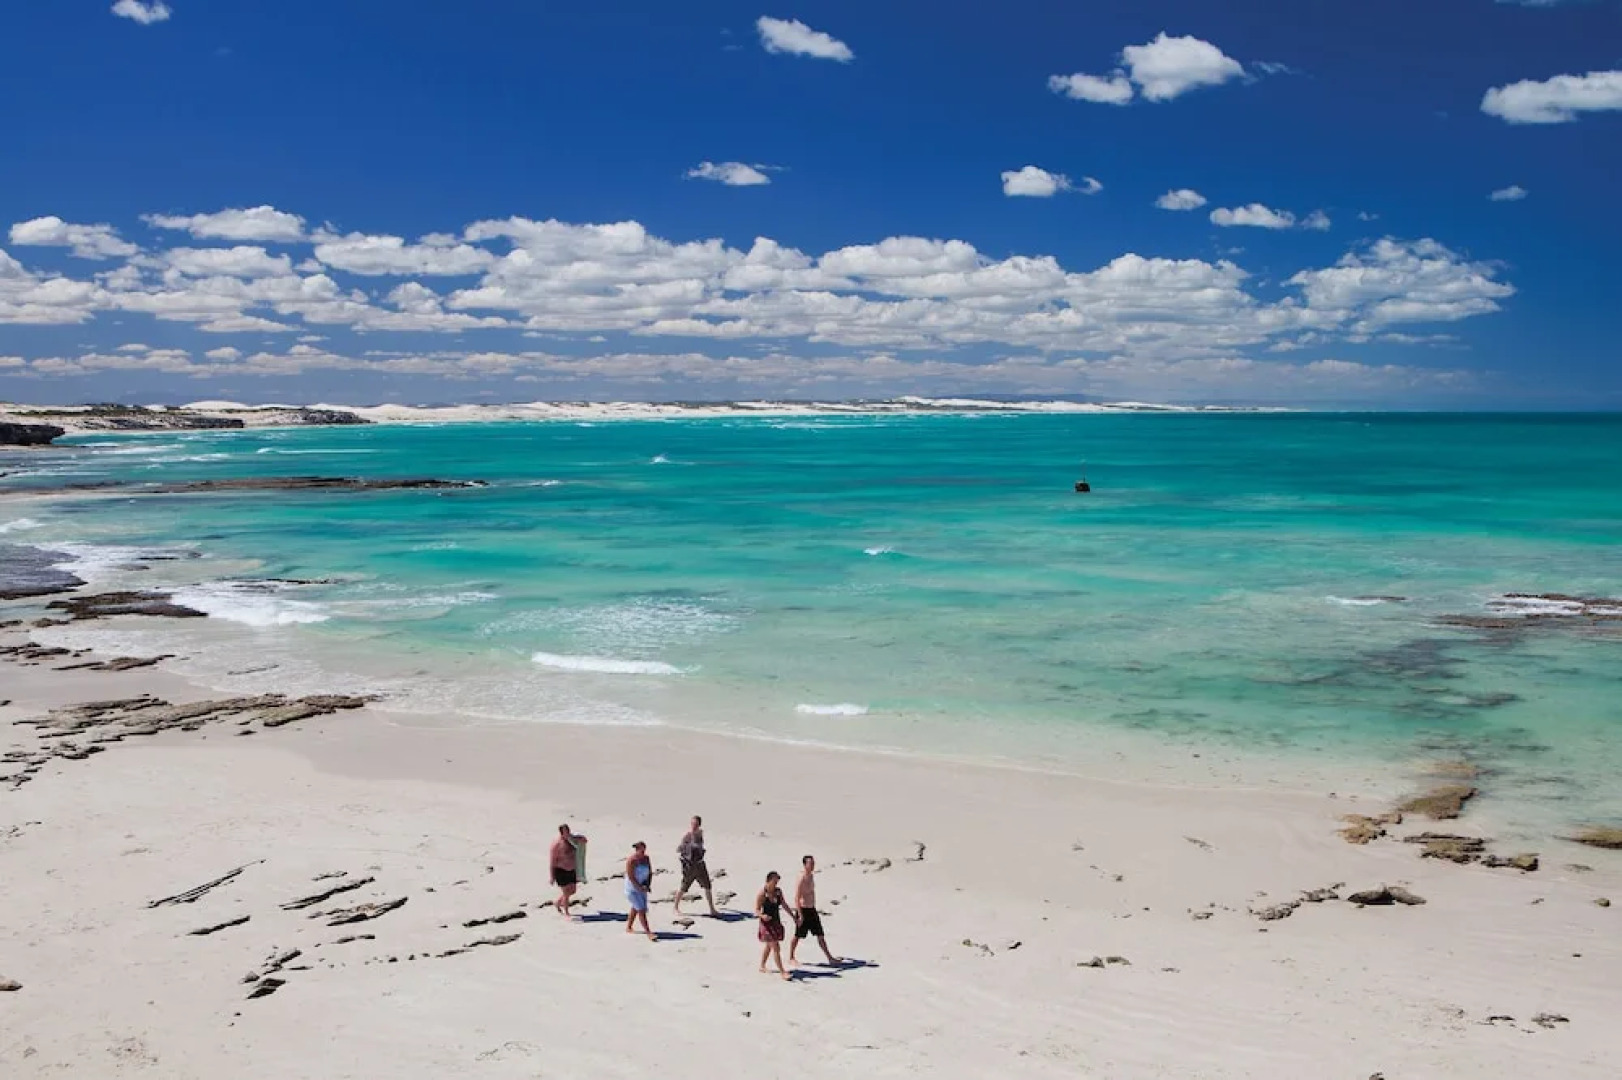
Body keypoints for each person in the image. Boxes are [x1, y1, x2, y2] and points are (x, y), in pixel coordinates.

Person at [790, 854, 840, 966]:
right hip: (803, 910)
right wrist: (800, 915)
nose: (812, 865)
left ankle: (829, 957)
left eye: (813, 863)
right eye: (810, 863)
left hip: (812, 909)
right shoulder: (801, 879)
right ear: (805, 865)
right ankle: (791, 956)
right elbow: (797, 897)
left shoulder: (811, 876)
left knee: (820, 934)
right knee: (798, 935)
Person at [674, 815, 719, 917]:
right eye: (692, 824)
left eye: (695, 824)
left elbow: (699, 846)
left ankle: (712, 909)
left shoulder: (699, 835)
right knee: (684, 887)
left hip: (700, 865)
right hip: (690, 866)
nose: (693, 826)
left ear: (699, 825)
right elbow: (679, 849)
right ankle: (675, 907)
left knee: (707, 886)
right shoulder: (687, 835)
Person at [755, 871, 792, 980]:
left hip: (776, 922)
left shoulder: (778, 892)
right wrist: (762, 916)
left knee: (769, 946)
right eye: (774, 881)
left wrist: (793, 917)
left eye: (777, 881)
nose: (776, 883)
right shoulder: (762, 893)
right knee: (775, 947)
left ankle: (762, 965)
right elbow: (756, 910)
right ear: (768, 880)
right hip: (766, 924)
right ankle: (782, 972)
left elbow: (784, 905)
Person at [549, 824, 587, 919]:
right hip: (561, 870)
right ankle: (566, 912)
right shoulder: (556, 844)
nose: (568, 832)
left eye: (569, 830)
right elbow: (552, 861)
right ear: (561, 833)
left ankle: (558, 903)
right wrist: (552, 877)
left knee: (573, 891)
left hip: (572, 869)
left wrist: (580, 839)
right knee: (566, 892)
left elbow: (584, 840)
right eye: (566, 831)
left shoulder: (573, 840)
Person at [624, 841, 656, 941]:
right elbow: (631, 877)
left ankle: (628, 927)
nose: (641, 852)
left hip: (642, 887)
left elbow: (650, 873)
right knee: (641, 910)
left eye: (642, 849)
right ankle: (648, 932)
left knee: (636, 907)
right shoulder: (631, 860)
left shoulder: (646, 858)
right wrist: (639, 887)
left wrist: (647, 885)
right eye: (639, 850)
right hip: (632, 889)